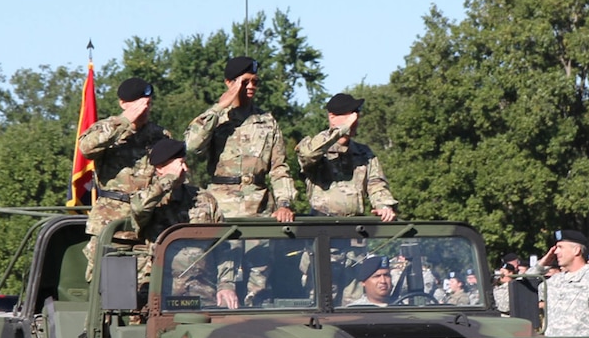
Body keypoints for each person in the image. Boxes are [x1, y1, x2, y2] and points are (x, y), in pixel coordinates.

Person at [79, 77, 170, 280]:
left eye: (148, 103)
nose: (144, 108)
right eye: (138, 103)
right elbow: (86, 148)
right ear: (123, 103)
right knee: (107, 286)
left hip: (147, 223)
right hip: (111, 222)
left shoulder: (159, 135)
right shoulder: (107, 129)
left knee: (148, 285)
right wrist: (125, 122)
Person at [185, 56, 296, 222]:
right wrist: (219, 107)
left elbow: (279, 168)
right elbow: (191, 145)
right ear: (229, 83)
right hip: (221, 207)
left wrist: (284, 204)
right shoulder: (216, 118)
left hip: (259, 208)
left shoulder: (266, 121)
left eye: (255, 82)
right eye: (245, 82)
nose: (251, 86)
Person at [127, 138, 237, 307]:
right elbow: (138, 209)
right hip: (159, 298)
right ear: (159, 168)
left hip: (203, 296)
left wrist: (226, 285)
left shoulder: (203, 199)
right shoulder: (148, 198)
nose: (184, 169)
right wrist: (168, 180)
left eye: (185, 163)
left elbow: (223, 247)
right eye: (179, 164)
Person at [295, 93, 398, 220]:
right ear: (332, 117)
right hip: (322, 226)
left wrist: (384, 206)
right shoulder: (316, 148)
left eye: (356, 115)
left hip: (354, 227)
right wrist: (342, 129)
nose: (354, 121)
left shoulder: (363, 152)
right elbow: (307, 155)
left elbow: (376, 184)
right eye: (349, 116)